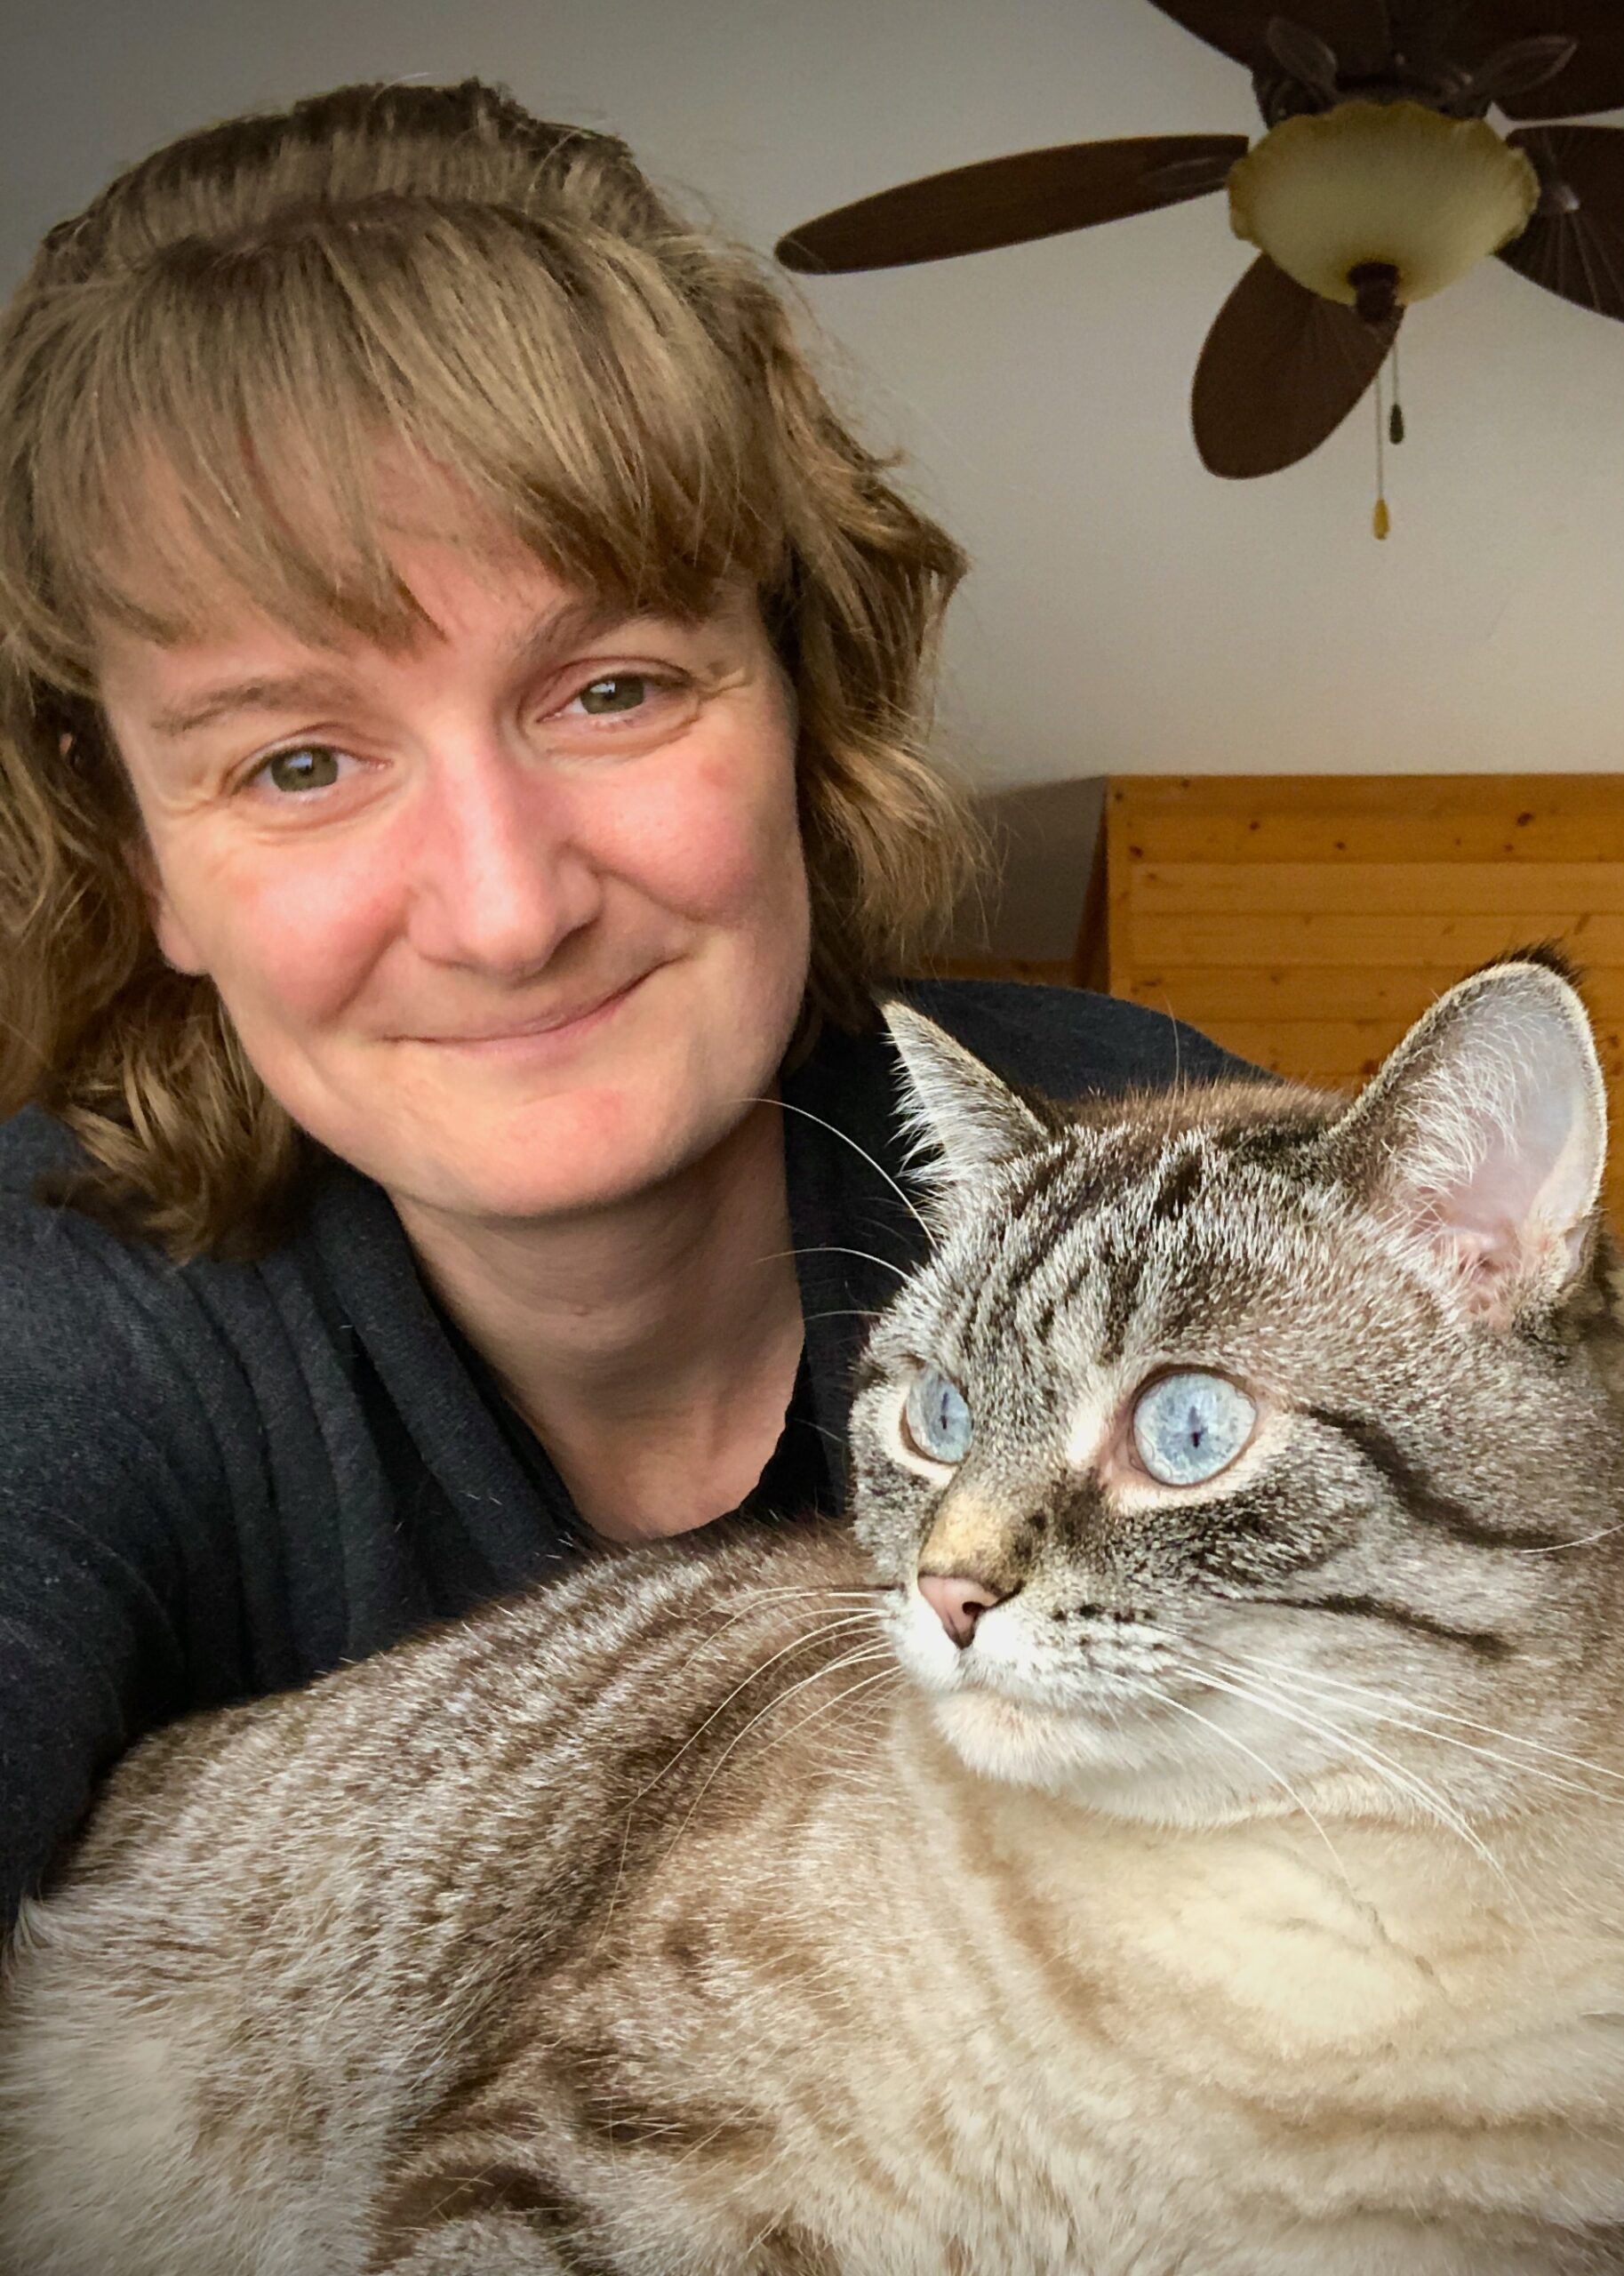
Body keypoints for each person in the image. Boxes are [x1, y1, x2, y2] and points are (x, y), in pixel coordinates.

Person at [0, 76, 1237, 1929]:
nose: (506, 913)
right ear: (145, 859)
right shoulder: (59, 1321)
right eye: (296, 762)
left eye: (611, 692)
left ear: (798, 705)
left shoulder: (1137, 1173)